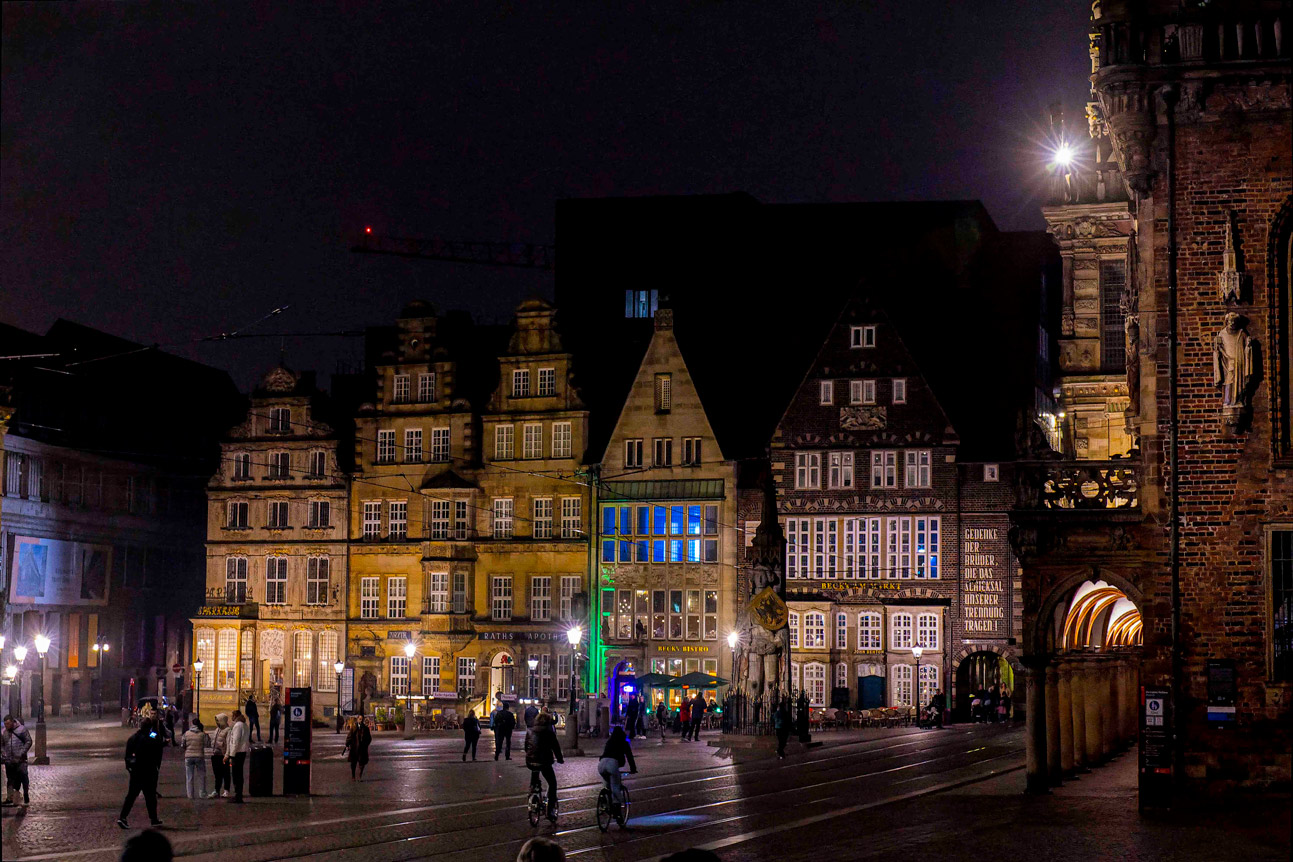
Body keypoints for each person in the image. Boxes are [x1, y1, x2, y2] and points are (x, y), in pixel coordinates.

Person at [117, 717, 165, 828]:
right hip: (149, 771)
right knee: (150, 796)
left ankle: (123, 817)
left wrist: (129, 768)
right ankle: (153, 818)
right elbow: (158, 744)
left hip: (136, 772)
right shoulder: (151, 737)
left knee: (131, 796)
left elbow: (127, 756)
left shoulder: (133, 738)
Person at [524, 711, 563, 822]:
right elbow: (556, 748)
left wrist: (530, 755)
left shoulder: (530, 731)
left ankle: (533, 790)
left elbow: (526, 747)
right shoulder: (549, 733)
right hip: (544, 762)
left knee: (535, 771)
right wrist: (560, 759)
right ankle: (550, 810)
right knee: (552, 783)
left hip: (530, 761)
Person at [597, 725, 637, 812]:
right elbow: (629, 756)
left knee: (606, 784)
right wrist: (633, 769)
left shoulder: (609, 741)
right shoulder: (624, 742)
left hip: (601, 764)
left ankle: (604, 799)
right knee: (615, 786)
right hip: (612, 764)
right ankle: (618, 810)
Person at [2, 714, 33, 807]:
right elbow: (2, 744)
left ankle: (26, 793)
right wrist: (4, 753)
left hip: (20, 759)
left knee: (23, 776)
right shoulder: (4, 732)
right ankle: (10, 798)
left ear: (12, 722)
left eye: (8, 724)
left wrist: (21, 752)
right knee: (10, 779)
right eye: (5, 724)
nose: (7, 726)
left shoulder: (22, 729)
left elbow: (28, 741)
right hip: (9, 760)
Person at [224, 710, 250, 802]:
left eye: (233, 715)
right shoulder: (244, 725)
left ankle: (238, 795)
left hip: (237, 752)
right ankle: (238, 794)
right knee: (239, 773)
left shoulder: (238, 725)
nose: (232, 717)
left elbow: (235, 741)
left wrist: (232, 755)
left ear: (236, 716)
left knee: (236, 774)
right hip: (242, 751)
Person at [182, 719, 211, 799]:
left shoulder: (186, 733)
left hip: (188, 757)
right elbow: (207, 744)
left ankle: (190, 794)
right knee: (201, 776)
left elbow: (183, 745)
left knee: (189, 777)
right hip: (199, 756)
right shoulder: (202, 734)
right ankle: (202, 793)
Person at [208, 713, 231, 798]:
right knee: (217, 774)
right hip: (215, 754)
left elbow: (228, 743)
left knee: (226, 773)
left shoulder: (228, 730)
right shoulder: (217, 729)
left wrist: (227, 755)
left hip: (223, 755)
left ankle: (226, 790)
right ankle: (216, 790)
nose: (217, 722)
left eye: (218, 720)